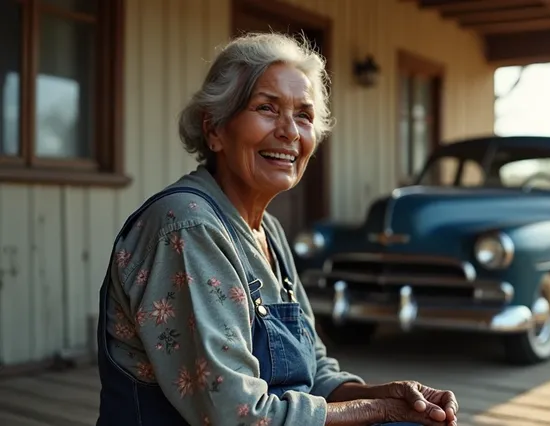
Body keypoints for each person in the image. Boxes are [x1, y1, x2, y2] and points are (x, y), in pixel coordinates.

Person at [95, 32, 459, 426]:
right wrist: (378, 410)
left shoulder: (267, 229)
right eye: (267, 108)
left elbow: (316, 372)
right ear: (215, 129)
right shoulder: (187, 227)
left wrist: (390, 396)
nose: (289, 131)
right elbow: (239, 416)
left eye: (303, 115)